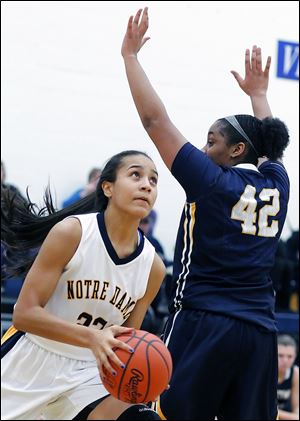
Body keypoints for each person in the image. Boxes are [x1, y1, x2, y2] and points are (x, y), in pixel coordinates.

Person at [121, 8, 290, 420]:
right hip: (259, 333)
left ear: (235, 152)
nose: (203, 148)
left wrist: (130, 57)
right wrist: (259, 97)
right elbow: (273, 148)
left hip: (205, 322)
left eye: (211, 140)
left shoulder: (211, 180)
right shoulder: (278, 186)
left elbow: (154, 120)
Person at [1, 150, 166, 420]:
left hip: (90, 373)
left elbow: (128, 342)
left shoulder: (153, 267)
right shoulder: (73, 232)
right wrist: (92, 337)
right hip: (33, 360)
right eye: (135, 174)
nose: (147, 184)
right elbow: (24, 314)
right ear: (108, 187)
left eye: (153, 180)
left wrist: (150, 376)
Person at [277, 334, 299, 420]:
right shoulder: (264, 371)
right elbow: (261, 408)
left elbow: (296, 407)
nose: (285, 361)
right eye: (280, 355)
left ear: (295, 357)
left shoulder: (295, 373)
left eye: (290, 356)